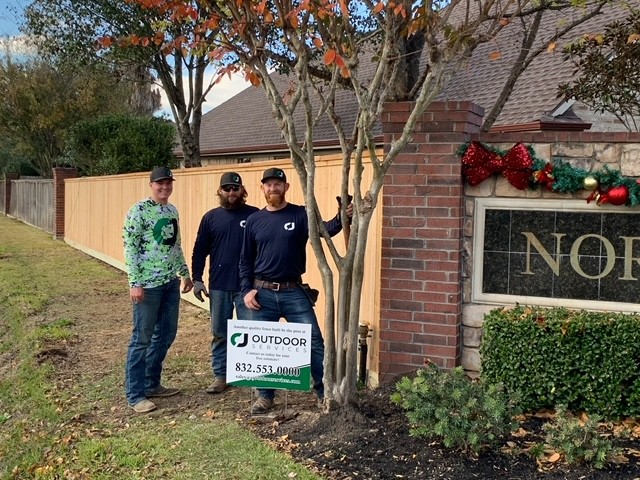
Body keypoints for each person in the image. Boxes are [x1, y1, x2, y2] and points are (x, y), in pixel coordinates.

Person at [239, 167, 351, 414]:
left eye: (277, 184)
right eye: (268, 184)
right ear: (262, 189)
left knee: (314, 342)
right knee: (263, 346)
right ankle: (265, 396)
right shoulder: (255, 221)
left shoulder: (300, 214)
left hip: (293, 291)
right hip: (262, 292)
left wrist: (343, 215)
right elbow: (245, 260)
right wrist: (246, 290)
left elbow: (326, 230)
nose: (273, 188)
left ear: (286, 187)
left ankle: (324, 393)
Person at [123, 166, 194, 414]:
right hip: (147, 286)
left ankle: (152, 384)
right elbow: (130, 248)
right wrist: (135, 283)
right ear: (151, 185)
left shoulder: (171, 210)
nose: (164, 187)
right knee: (141, 339)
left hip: (169, 283)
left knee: (166, 334)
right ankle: (135, 394)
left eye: (168, 183)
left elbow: (175, 245)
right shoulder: (138, 211)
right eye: (160, 184)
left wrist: (184, 273)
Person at [191, 172, 259, 394]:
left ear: (243, 191)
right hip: (219, 286)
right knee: (220, 332)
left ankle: (253, 375)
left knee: (250, 332)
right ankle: (221, 375)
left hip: (247, 287)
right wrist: (197, 279)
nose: (231, 192)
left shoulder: (255, 216)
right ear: (220, 191)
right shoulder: (210, 218)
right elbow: (200, 250)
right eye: (227, 188)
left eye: (235, 188)